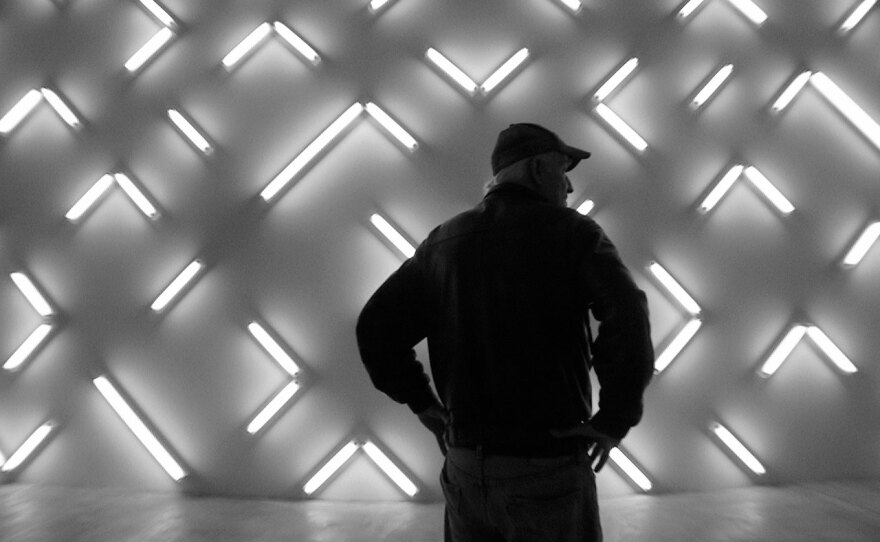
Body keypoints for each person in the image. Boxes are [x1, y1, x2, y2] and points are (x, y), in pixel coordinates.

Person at [356, 122, 654, 542]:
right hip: (547, 467)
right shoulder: (573, 232)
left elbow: (376, 328)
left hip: (463, 469)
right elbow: (627, 315)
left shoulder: (442, 243)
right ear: (536, 169)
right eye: (562, 169)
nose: (568, 186)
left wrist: (424, 404)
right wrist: (614, 419)